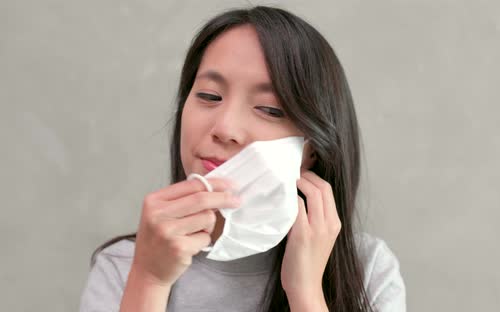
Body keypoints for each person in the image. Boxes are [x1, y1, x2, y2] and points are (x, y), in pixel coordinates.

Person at [79, 6, 406, 312]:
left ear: (312, 149)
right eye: (209, 96)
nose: (224, 128)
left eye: (269, 109)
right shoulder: (124, 265)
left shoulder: (368, 268)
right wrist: (149, 281)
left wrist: (304, 291)